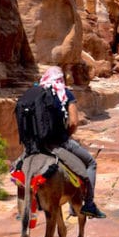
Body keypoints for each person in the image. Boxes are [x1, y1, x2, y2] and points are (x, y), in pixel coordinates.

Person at [39, 66, 106, 218]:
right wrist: (66, 136)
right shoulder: (65, 94)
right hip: (59, 142)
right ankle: (88, 204)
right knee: (90, 163)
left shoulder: (38, 93)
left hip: (39, 143)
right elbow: (74, 122)